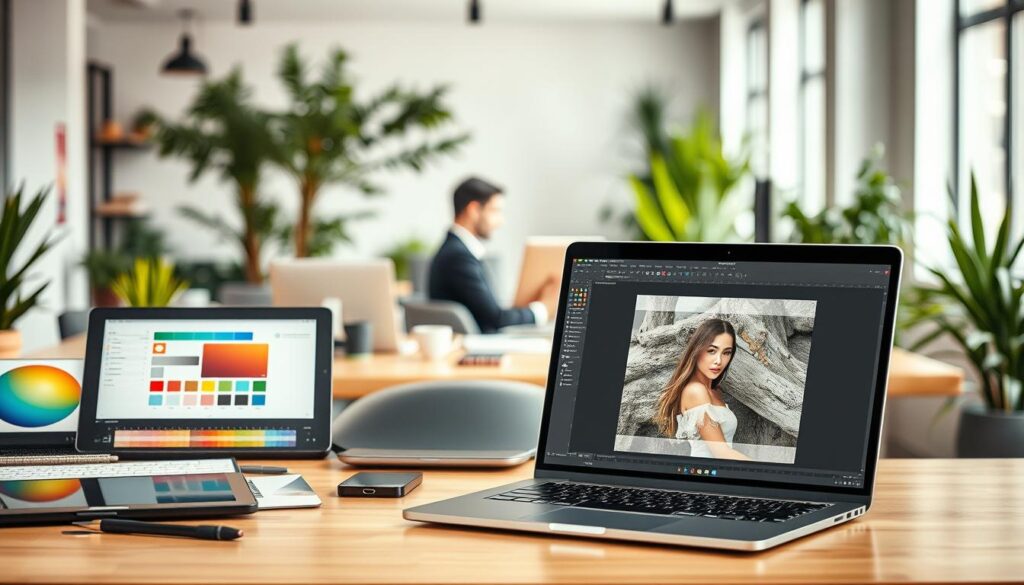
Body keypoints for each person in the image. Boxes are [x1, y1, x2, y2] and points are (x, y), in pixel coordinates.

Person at [429, 177, 559, 333]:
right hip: (479, 345)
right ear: (474, 210)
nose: (500, 221)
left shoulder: (456, 250)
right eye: (495, 211)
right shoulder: (458, 257)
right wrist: (544, 308)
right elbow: (495, 318)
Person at [654, 318, 751, 460]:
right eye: (712, 350)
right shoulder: (696, 391)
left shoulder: (715, 391)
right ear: (697, 350)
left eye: (726, 353)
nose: (719, 360)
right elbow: (722, 453)